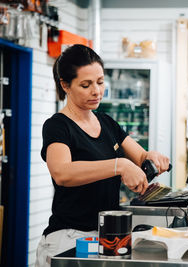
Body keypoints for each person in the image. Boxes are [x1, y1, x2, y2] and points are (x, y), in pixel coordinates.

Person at [35, 44, 170, 267]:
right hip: (68, 238)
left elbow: (140, 156)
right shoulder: (58, 126)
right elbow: (62, 173)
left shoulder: (106, 122)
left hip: (107, 237)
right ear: (65, 85)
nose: (97, 91)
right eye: (86, 85)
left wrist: (152, 157)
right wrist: (119, 166)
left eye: (100, 82)